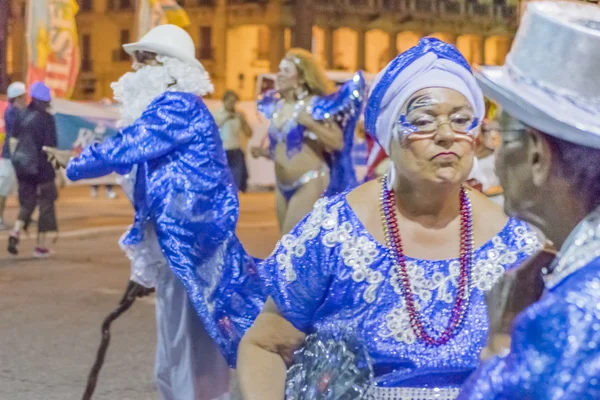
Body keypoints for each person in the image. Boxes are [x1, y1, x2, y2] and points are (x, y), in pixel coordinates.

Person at [237, 38, 543, 399]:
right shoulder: (336, 231)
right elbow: (266, 345)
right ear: (389, 135)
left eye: (461, 120)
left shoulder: (516, 245)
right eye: (423, 120)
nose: (446, 135)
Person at [48, 25, 264, 400]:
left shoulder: (177, 105)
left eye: (143, 61)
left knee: (186, 342)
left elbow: (129, 146)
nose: (133, 71)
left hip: (190, 242)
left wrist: (78, 162)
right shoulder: (175, 108)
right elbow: (134, 152)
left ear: (167, 67)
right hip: (183, 239)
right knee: (185, 338)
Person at [458, 2, 600, 398]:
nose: (496, 159)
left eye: (502, 137)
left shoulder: (573, 315)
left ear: (537, 155)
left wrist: (494, 344)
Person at [252, 49, 364, 234]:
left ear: (302, 79)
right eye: (279, 70)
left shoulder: (315, 105)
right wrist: (263, 152)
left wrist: (310, 123)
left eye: (286, 71)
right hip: (282, 185)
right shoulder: (278, 107)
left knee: (290, 243)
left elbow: (337, 142)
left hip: (309, 181)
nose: (279, 75)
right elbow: (285, 147)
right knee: (285, 244)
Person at [7, 82, 58, 258]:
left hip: (23, 166)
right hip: (43, 168)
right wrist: (57, 172)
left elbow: (13, 142)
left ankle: (15, 232)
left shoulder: (21, 115)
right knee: (46, 204)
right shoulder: (47, 119)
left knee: (27, 202)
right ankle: (40, 247)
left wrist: (18, 162)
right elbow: (51, 148)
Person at [212, 90, 252, 192]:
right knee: (221, 178)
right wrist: (225, 118)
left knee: (236, 179)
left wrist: (243, 121)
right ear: (224, 101)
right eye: (229, 101)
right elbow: (212, 130)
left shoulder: (239, 115)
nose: (231, 104)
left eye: (234, 101)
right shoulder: (217, 114)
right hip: (222, 151)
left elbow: (249, 133)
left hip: (236, 150)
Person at [0, 82, 27, 229]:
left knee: (24, 187)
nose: (26, 98)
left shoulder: (20, 112)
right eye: (24, 96)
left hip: (20, 156)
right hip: (10, 157)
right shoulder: (12, 113)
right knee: (2, 188)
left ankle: (25, 215)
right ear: (18, 97)